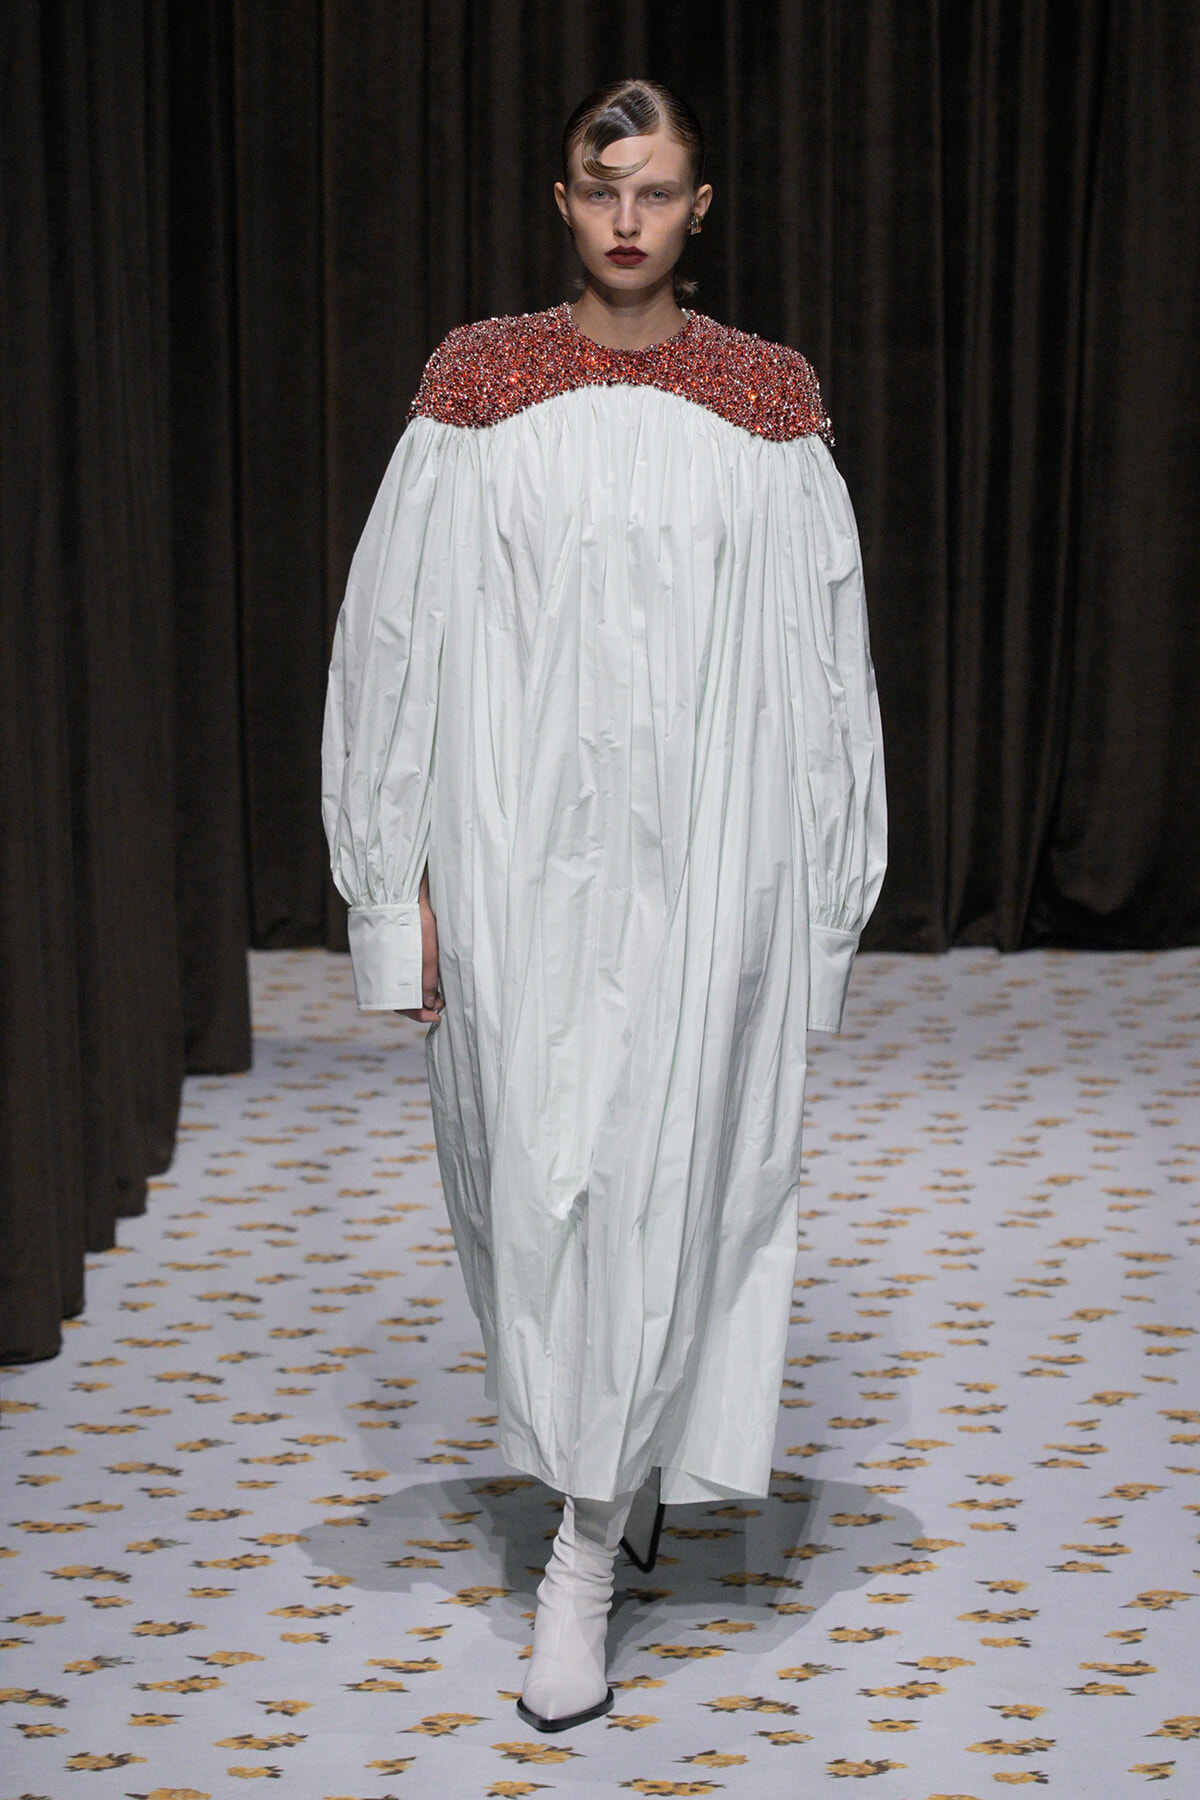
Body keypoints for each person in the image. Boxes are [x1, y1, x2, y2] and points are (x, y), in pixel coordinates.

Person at [322, 77, 886, 1734]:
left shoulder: (767, 407)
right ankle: (605, 1456)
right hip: (511, 866)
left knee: (675, 1172)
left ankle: (581, 1542)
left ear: (701, 209)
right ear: (561, 204)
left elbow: (824, 678)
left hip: (714, 871)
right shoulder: (475, 391)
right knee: (531, 1176)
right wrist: (392, 885)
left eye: (657, 190)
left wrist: (824, 912)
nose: (625, 218)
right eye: (597, 188)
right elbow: (396, 648)